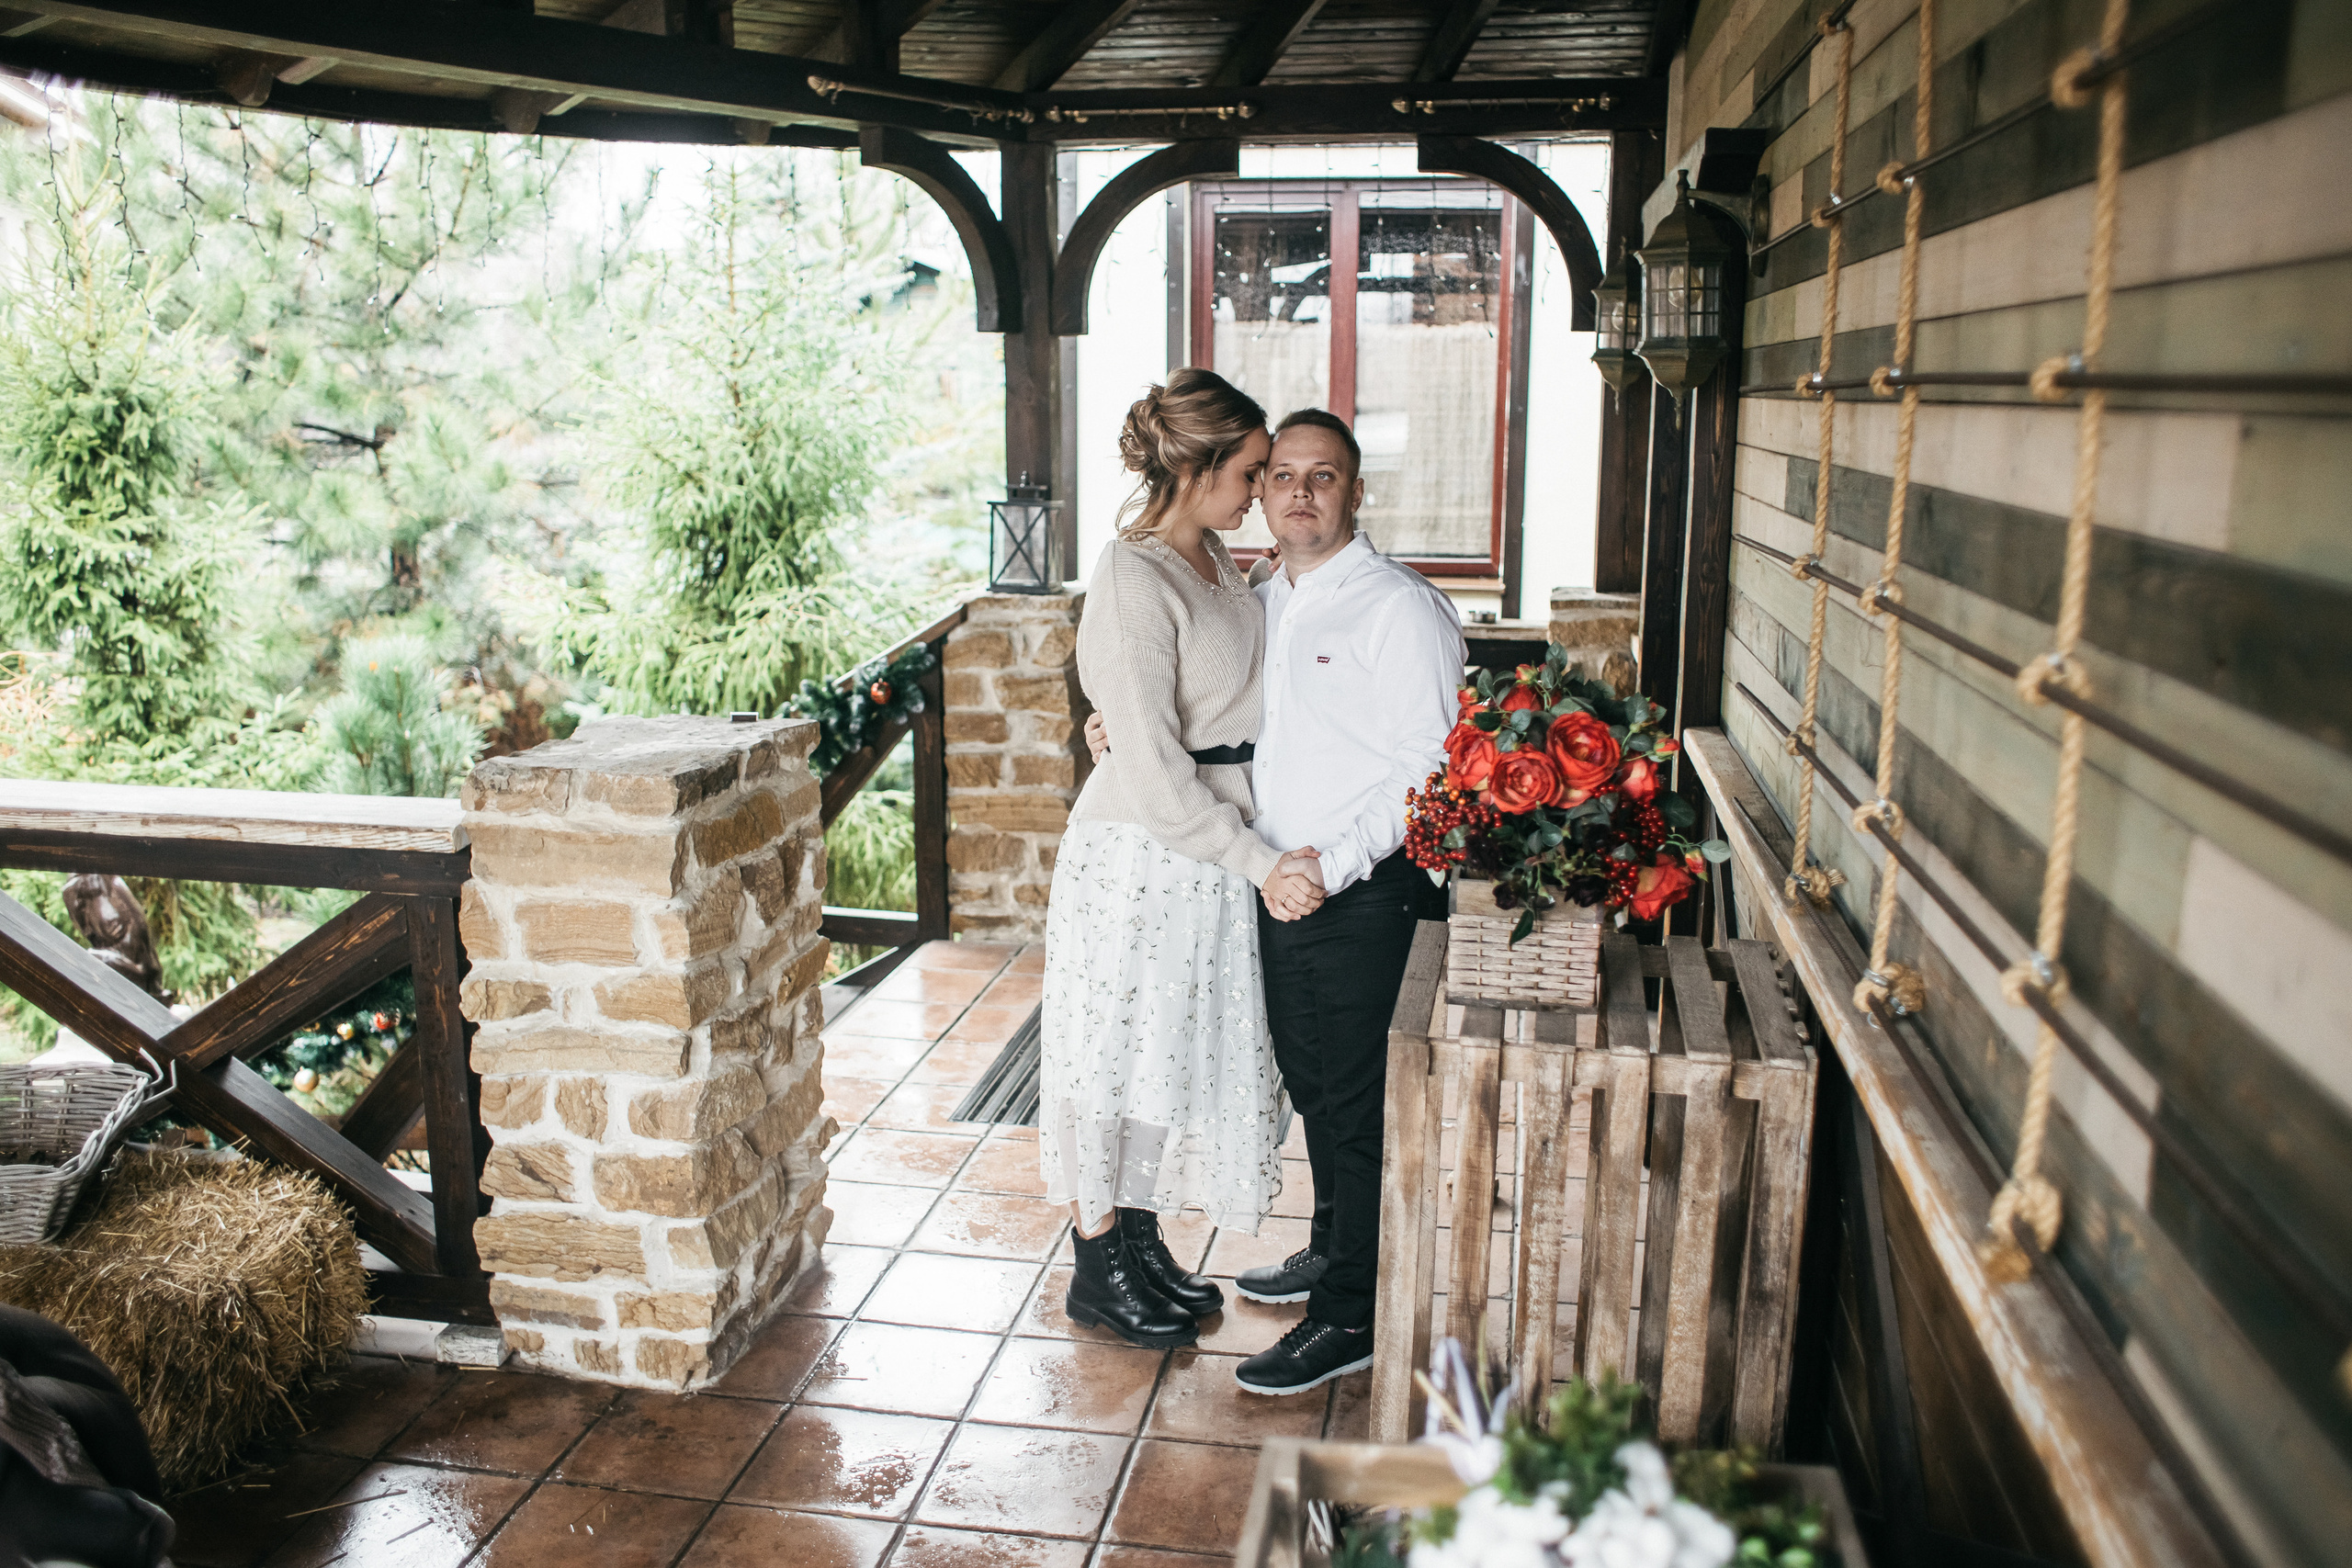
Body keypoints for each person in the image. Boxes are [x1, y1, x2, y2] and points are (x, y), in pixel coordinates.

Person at [1088, 407, 1464, 1393]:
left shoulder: (1397, 610)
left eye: (1322, 475)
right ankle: (1333, 1255)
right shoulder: (1263, 596)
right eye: (1280, 474)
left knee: (1356, 1108)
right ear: (1257, 490)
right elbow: (1194, 696)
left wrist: (1329, 868)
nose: (1298, 492)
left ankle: (1353, 1314)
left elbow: (1428, 774)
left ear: (1355, 491)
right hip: (1271, 878)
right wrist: (1116, 723)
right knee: (1314, 1090)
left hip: (1358, 888)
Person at [1039, 367, 1329, 1352]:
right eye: (1250, 471)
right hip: (1143, 851)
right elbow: (1159, 773)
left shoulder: (1216, 561)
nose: (1260, 489)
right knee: (1110, 1057)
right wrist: (1255, 860)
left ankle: (1139, 1239)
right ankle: (1095, 1262)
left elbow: (1221, 692)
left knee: (1162, 1054)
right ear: (1197, 465)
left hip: (1202, 855)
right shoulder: (1130, 577)